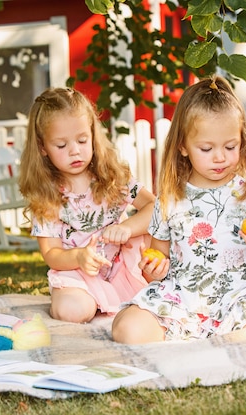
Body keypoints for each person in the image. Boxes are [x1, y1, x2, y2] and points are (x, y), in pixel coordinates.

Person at [112, 76, 246, 344]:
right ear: (183, 147)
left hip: (240, 296)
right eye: (206, 148)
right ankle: (204, 334)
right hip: (184, 297)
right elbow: (157, 261)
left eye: (230, 146)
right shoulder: (169, 200)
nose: (220, 157)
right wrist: (154, 269)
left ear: (242, 143)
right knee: (128, 330)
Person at [18, 87, 156, 323]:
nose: (75, 151)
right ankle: (91, 300)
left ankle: (119, 295)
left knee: (154, 250)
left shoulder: (112, 177)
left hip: (121, 267)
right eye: (61, 145)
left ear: (93, 135)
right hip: (77, 274)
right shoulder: (46, 194)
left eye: (82, 140)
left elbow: (154, 207)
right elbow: (51, 254)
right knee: (72, 311)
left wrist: (127, 228)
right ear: (43, 147)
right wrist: (79, 257)